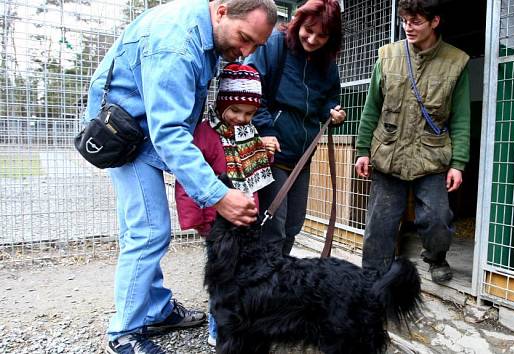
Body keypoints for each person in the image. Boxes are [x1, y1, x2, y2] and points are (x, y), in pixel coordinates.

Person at [83, 0, 277, 353]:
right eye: (245, 37)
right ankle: (123, 333)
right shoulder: (177, 43)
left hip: (145, 129)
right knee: (147, 230)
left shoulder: (207, 35)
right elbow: (168, 132)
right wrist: (217, 194)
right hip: (127, 134)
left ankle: (155, 309)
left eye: (256, 46)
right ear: (222, 11)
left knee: (145, 228)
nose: (245, 52)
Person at [354, 0, 470, 283]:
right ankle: (372, 275)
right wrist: (362, 150)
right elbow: (372, 108)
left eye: (416, 21)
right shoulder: (388, 56)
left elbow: (461, 117)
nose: (408, 27)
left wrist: (458, 163)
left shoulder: (456, 62)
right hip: (389, 153)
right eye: (405, 20)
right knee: (380, 222)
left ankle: (435, 257)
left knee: (438, 218)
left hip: (431, 157)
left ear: (435, 22)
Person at [173, 62, 276, 347]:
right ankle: (219, 328)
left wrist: (264, 154)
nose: (242, 119)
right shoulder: (205, 134)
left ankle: (244, 323)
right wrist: (199, 221)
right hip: (216, 223)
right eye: (235, 111)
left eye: (250, 113)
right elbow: (188, 183)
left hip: (245, 219)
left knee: (244, 276)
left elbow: (253, 170)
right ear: (221, 105)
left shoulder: (248, 133)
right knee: (221, 276)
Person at [244, 0, 346, 256]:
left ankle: (280, 281)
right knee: (273, 226)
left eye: (322, 35)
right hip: (271, 152)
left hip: (303, 156)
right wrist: (266, 130)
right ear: (298, 22)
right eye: (308, 30)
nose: (312, 39)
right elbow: (251, 91)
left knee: (293, 225)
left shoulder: (327, 62)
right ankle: (264, 288)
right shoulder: (275, 45)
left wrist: (333, 113)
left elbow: (328, 98)